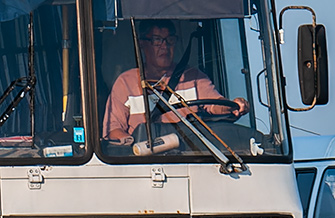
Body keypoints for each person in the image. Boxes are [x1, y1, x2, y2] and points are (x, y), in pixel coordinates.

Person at [102, 20, 249, 150]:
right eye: (157, 40)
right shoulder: (125, 82)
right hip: (145, 164)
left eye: (169, 40)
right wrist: (137, 148)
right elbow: (113, 131)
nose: (165, 46)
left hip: (191, 157)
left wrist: (233, 105)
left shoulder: (193, 77)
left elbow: (215, 104)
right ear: (142, 44)